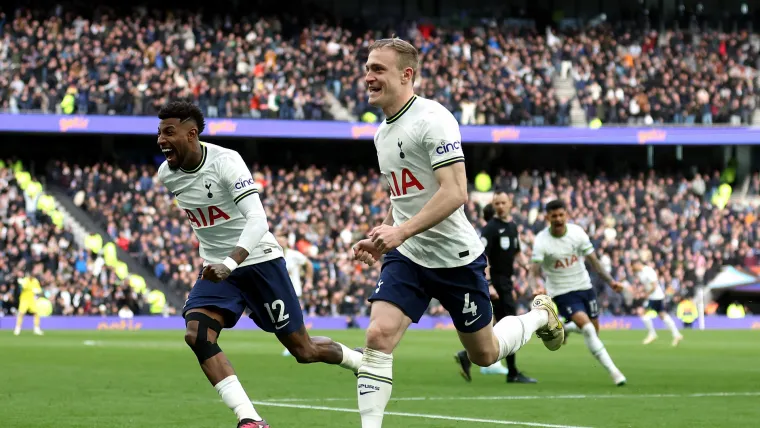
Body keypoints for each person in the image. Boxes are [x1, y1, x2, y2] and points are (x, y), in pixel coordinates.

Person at [351, 38, 564, 428]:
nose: (368, 76)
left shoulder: (434, 120)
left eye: (378, 69)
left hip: (456, 259)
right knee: (378, 335)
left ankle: (539, 316)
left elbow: (456, 192)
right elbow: (405, 199)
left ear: (406, 74)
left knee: (484, 353)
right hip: (410, 255)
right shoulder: (382, 133)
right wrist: (384, 235)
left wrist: (400, 232)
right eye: (367, 68)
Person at [155, 100, 363, 428]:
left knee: (303, 350)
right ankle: (250, 418)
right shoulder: (167, 175)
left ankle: (357, 360)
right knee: (198, 334)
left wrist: (230, 261)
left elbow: (258, 219)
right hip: (217, 270)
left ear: (192, 134)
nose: (161, 139)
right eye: (159, 132)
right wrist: (219, 262)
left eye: (169, 132)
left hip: (259, 260)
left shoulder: (227, 162)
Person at [529, 200, 627, 386]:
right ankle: (615, 373)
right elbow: (533, 271)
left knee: (594, 331)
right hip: (562, 292)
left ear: (566, 215)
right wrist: (535, 286)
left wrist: (611, 281)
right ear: (547, 217)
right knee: (588, 329)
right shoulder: (541, 240)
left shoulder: (577, 233)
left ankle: (565, 329)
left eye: (561, 215)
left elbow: (594, 261)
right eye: (554, 216)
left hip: (584, 286)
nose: (558, 219)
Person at [454, 192, 537, 383]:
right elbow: (484, 257)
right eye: (497, 203)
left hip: (506, 280)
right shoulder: (490, 228)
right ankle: (513, 372)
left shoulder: (513, 227)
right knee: (510, 323)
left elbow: (517, 252)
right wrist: (489, 284)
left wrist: (526, 265)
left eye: (503, 202)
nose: (500, 206)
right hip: (496, 282)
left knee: (502, 324)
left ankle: (467, 355)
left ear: (510, 205)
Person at [276, 235, 314, 357]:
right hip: (280, 291)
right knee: (284, 320)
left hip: (294, 291)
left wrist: (309, 280)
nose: (280, 242)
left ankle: (299, 344)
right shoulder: (273, 254)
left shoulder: (294, 254)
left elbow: (309, 264)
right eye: (278, 240)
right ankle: (294, 344)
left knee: (294, 318)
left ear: (287, 242)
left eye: (282, 240)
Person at [632, 259, 683, 346]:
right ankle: (676, 334)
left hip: (656, 296)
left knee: (643, 313)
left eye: (633, 266)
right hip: (653, 296)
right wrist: (640, 291)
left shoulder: (648, 271)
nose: (633, 269)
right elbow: (646, 286)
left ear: (637, 264)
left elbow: (654, 285)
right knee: (662, 315)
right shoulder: (640, 273)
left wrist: (646, 294)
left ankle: (652, 334)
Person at [14, 263, 44, 336]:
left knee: (36, 313)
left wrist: (37, 293)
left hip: (32, 299)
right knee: (21, 313)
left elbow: (39, 290)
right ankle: (17, 328)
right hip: (24, 299)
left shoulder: (35, 281)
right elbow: (23, 286)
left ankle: (36, 328)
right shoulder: (25, 280)